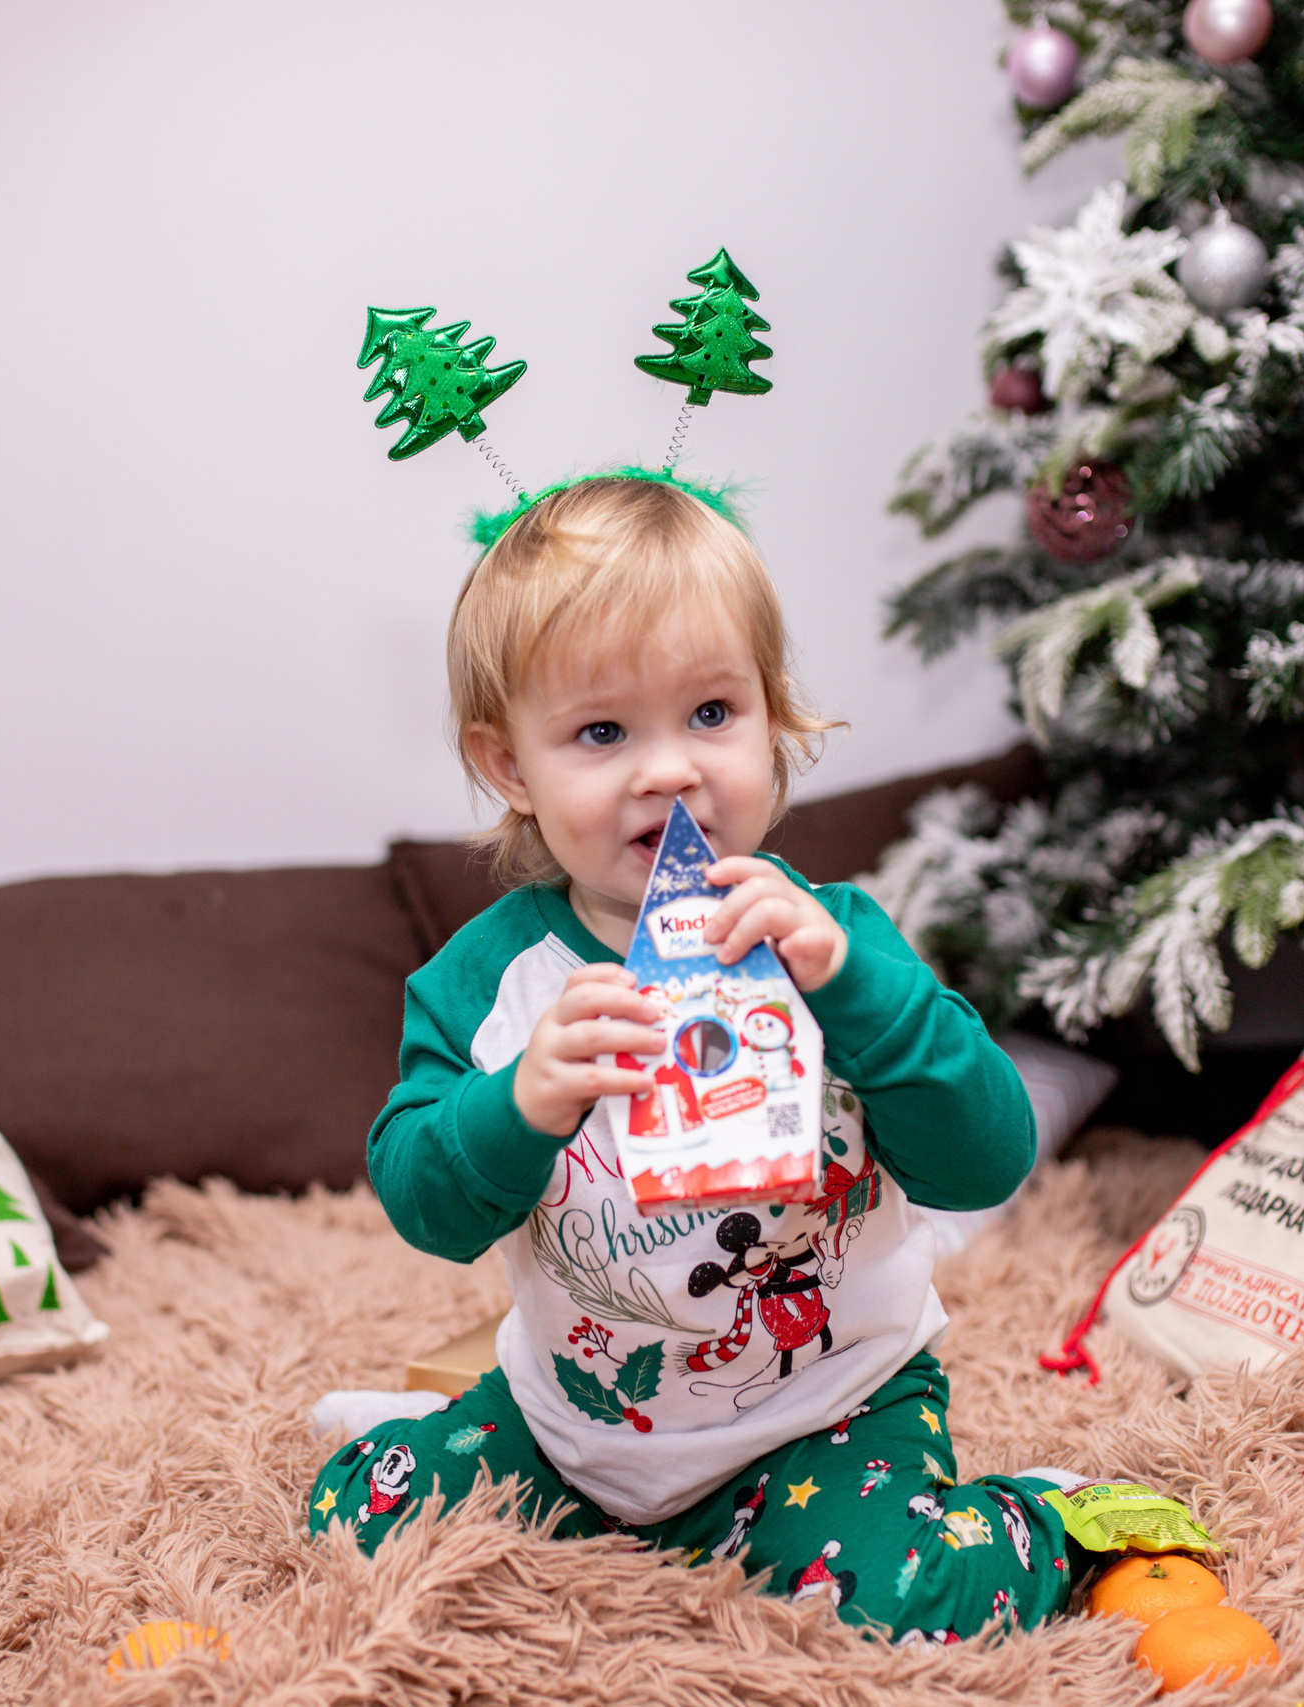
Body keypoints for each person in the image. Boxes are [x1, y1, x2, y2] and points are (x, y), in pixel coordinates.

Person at [306, 475, 1083, 1640]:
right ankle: (452, 1439)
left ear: (774, 720)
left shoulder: (833, 943)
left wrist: (854, 990)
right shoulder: (488, 982)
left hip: (826, 1411)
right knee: (353, 1517)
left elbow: (985, 1160)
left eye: (712, 714)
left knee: (897, 1604)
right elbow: (426, 1205)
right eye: (603, 732)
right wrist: (515, 1104)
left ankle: (1046, 1520)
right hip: (577, 1428)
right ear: (511, 766)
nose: (668, 770)